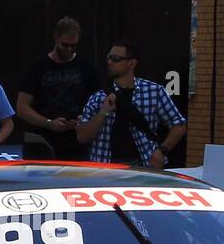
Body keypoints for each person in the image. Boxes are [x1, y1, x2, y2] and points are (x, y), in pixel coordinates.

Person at [76, 40, 187, 168]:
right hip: (104, 167)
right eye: (108, 58)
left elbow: (179, 124)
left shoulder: (154, 92)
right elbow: (82, 137)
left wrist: (162, 151)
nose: (109, 62)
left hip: (142, 166)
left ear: (131, 63)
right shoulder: (99, 97)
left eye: (115, 59)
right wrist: (103, 112)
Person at [16, 17, 100, 161]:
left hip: (76, 143)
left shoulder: (87, 68)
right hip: (42, 142)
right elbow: (22, 108)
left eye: (73, 46)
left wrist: (82, 121)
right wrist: (49, 123)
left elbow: (97, 104)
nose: (69, 49)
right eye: (65, 45)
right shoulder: (38, 67)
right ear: (56, 38)